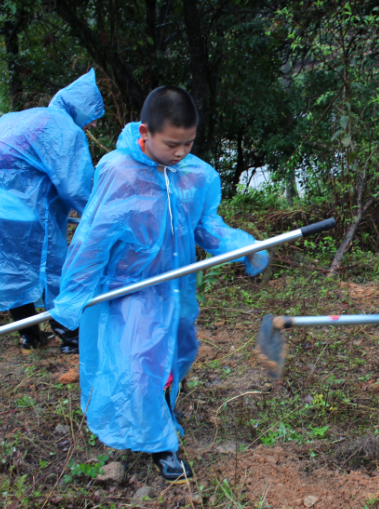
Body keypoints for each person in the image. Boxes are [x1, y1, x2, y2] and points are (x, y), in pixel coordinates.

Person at [50, 86, 269, 483]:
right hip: (130, 289)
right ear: (145, 132)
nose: (180, 152)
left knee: (174, 356)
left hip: (177, 288)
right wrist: (73, 296)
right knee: (140, 364)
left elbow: (206, 225)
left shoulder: (197, 176)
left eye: (188, 143)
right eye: (171, 144)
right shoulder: (119, 172)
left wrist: (242, 247)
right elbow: (93, 238)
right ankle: (161, 446)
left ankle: (162, 411)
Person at [0, 69, 104, 354]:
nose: (93, 124)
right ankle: (72, 338)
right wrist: (101, 217)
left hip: (5, 208)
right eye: (93, 115)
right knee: (53, 267)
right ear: (80, 107)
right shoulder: (63, 128)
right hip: (28, 209)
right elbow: (76, 188)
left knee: (15, 268)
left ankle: (30, 337)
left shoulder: (25, 117)